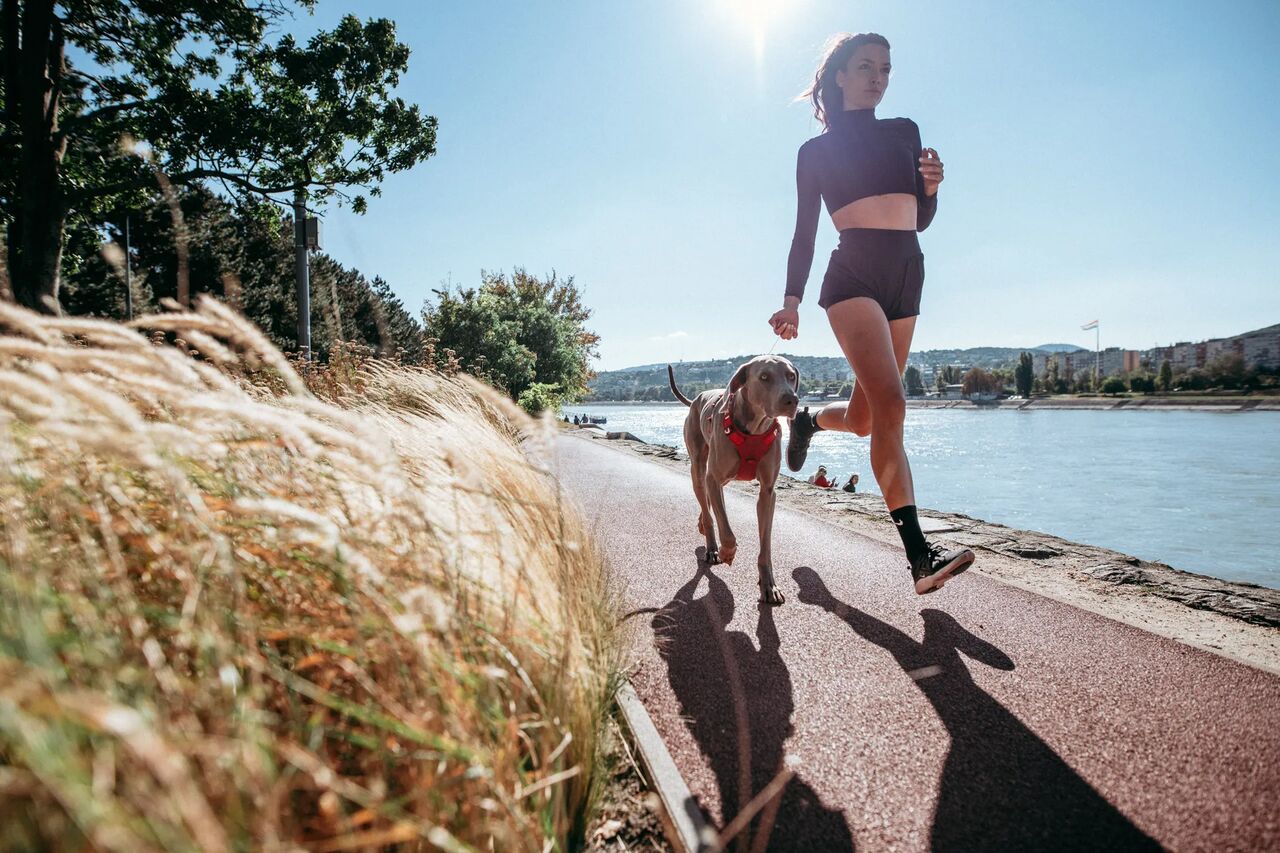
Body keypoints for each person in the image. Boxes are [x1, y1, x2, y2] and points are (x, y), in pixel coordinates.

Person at [768, 32, 974, 595]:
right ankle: (920, 558)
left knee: (865, 419)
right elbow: (804, 232)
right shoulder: (816, 152)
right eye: (866, 67)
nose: (878, 77)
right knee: (892, 402)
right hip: (853, 275)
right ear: (839, 75)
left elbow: (918, 219)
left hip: (908, 273)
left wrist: (930, 190)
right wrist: (791, 301)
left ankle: (809, 421)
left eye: (885, 68)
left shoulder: (905, 132)